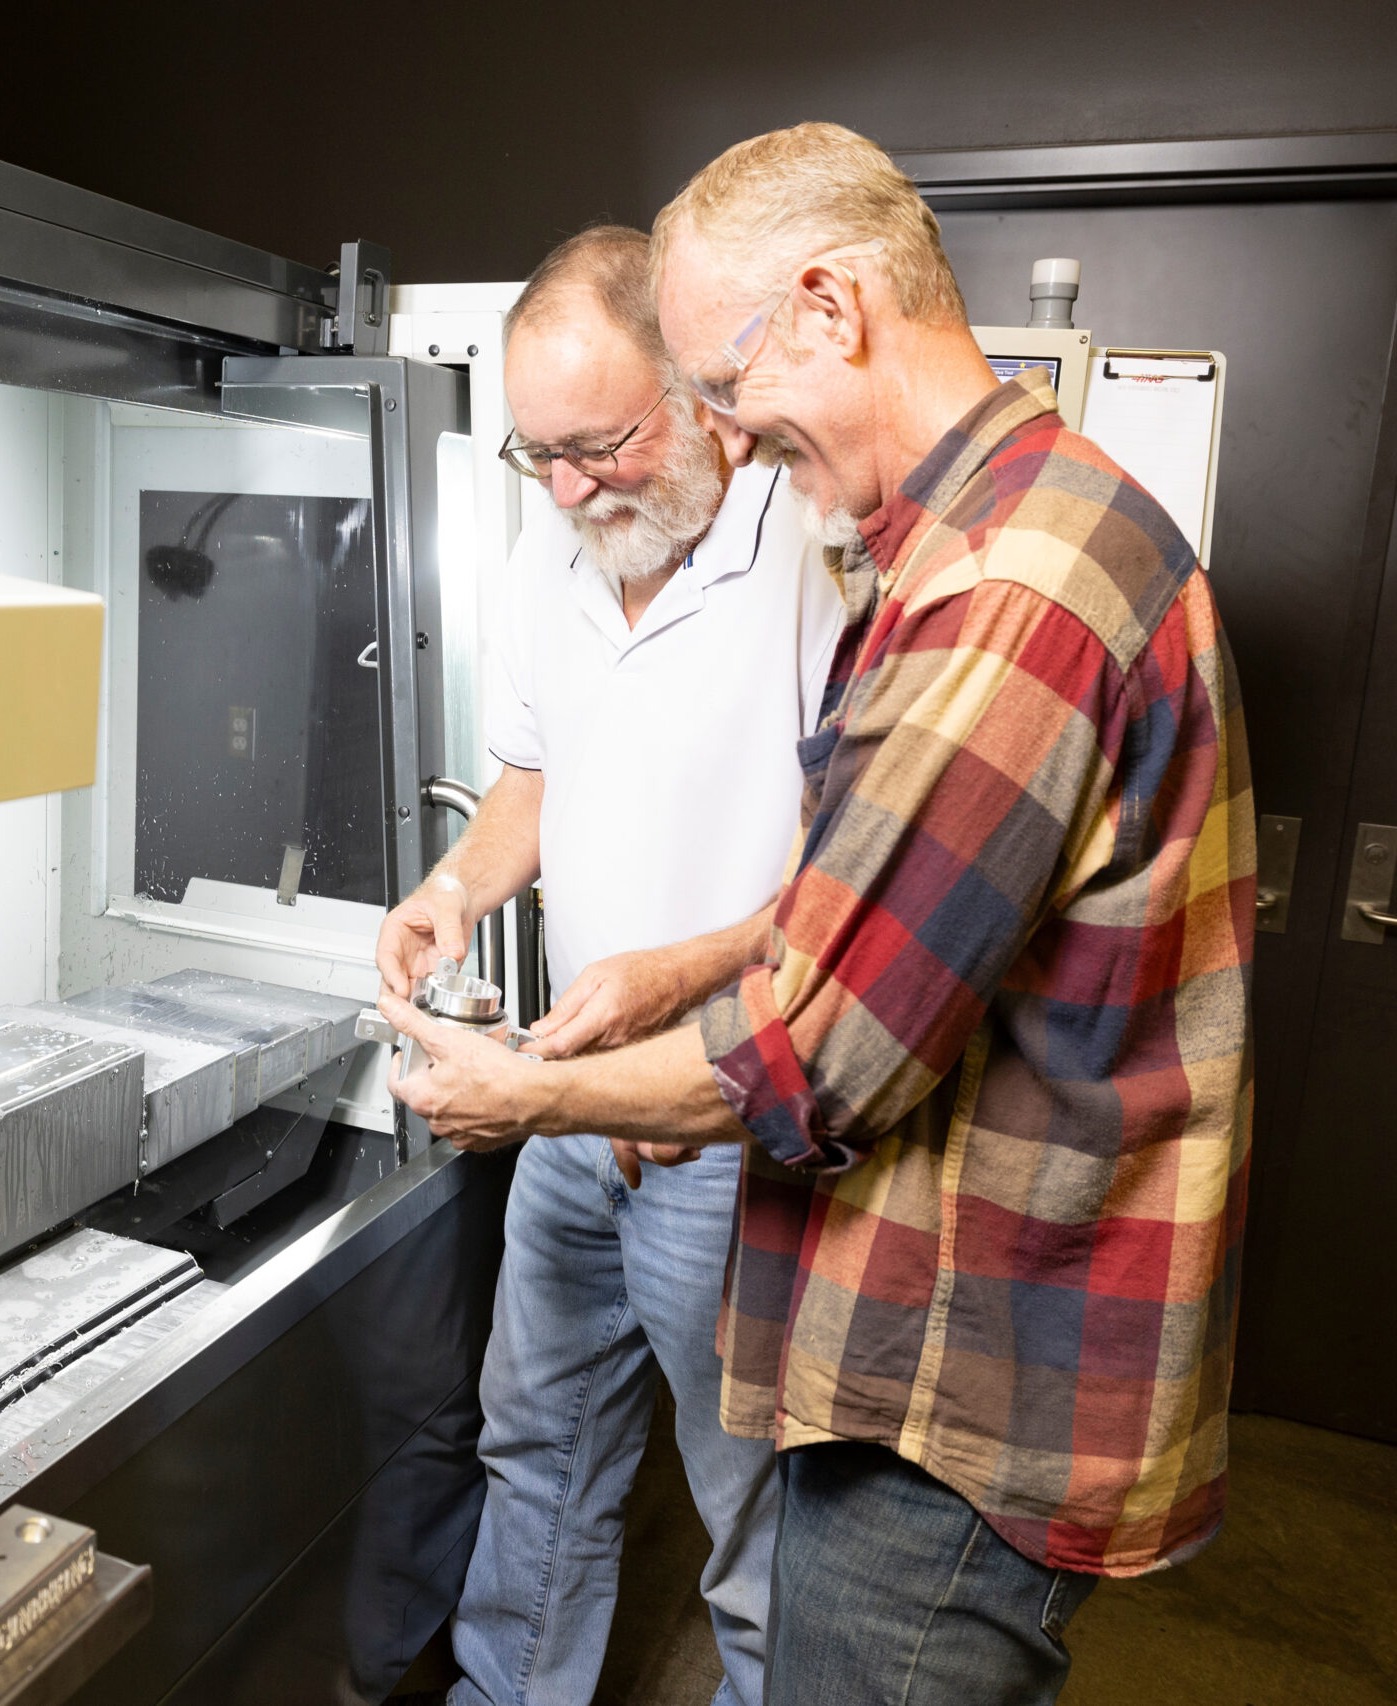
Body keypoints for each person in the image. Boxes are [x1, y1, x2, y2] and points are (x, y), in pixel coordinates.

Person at [379, 125, 1256, 1706]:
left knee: (785, 1569)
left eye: (719, 395)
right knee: (545, 1442)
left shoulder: (997, 588)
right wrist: (524, 939)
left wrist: (545, 1083)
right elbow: (872, 906)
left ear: (834, 308)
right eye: (545, 454)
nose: (731, 433)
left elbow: (813, 1049)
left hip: (944, 1332)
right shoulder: (970, 544)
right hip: (747, 1165)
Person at [375, 226, 842, 1706]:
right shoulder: (551, 550)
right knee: (539, 1449)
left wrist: (671, 984)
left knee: (758, 1520)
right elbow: (532, 780)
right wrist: (451, 889)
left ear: (701, 391)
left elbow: (862, 892)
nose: (572, 489)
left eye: (601, 445)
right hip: (569, 1115)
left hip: (732, 1129)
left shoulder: (818, 559)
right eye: (539, 457)